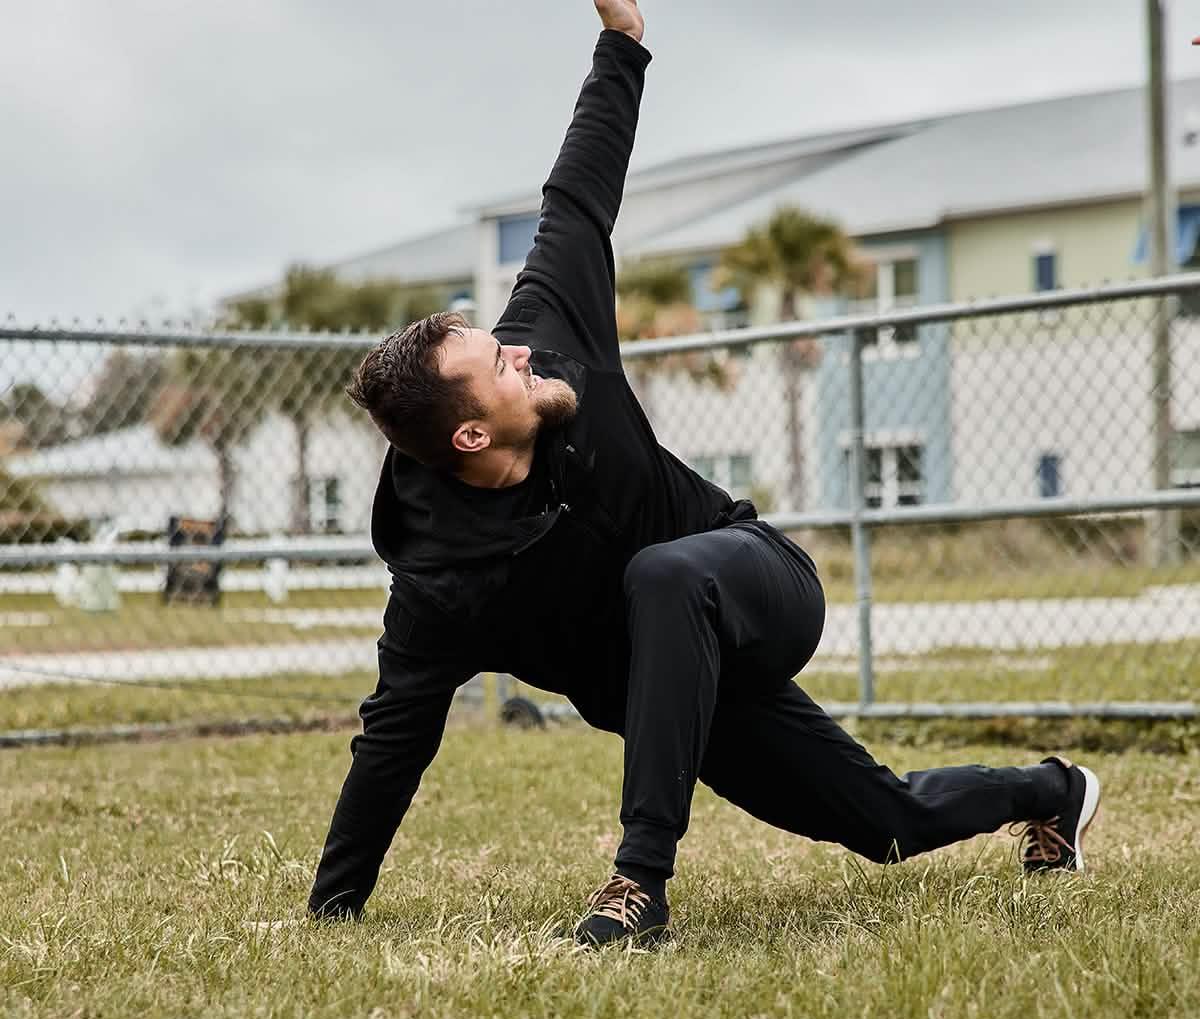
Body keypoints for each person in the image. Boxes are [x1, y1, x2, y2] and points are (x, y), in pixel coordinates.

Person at [307, 0, 1102, 947]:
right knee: (885, 825)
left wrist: (623, 44)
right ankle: (1057, 792)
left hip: (753, 582)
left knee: (666, 570)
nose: (521, 355)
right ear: (472, 438)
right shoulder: (440, 581)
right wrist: (332, 908)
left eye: (507, 343)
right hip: (676, 690)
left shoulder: (549, 335)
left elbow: (578, 196)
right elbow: (394, 737)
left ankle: (638, 889)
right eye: (500, 367)